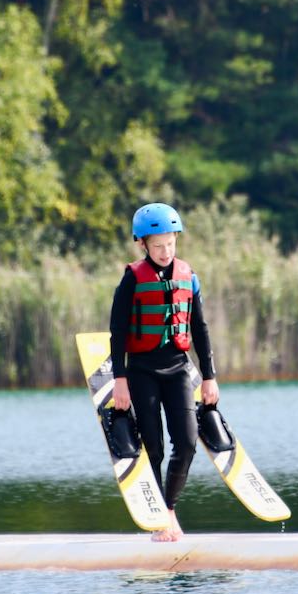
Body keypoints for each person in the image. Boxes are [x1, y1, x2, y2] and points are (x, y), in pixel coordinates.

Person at [110, 202, 219, 542]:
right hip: (142, 371)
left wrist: (210, 375)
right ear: (142, 244)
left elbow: (199, 330)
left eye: (170, 244)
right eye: (157, 246)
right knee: (153, 448)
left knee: (186, 443)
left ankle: (168, 509)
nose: (165, 251)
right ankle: (159, 520)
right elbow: (117, 332)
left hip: (178, 370)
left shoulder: (190, 277)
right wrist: (120, 380)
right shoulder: (131, 280)